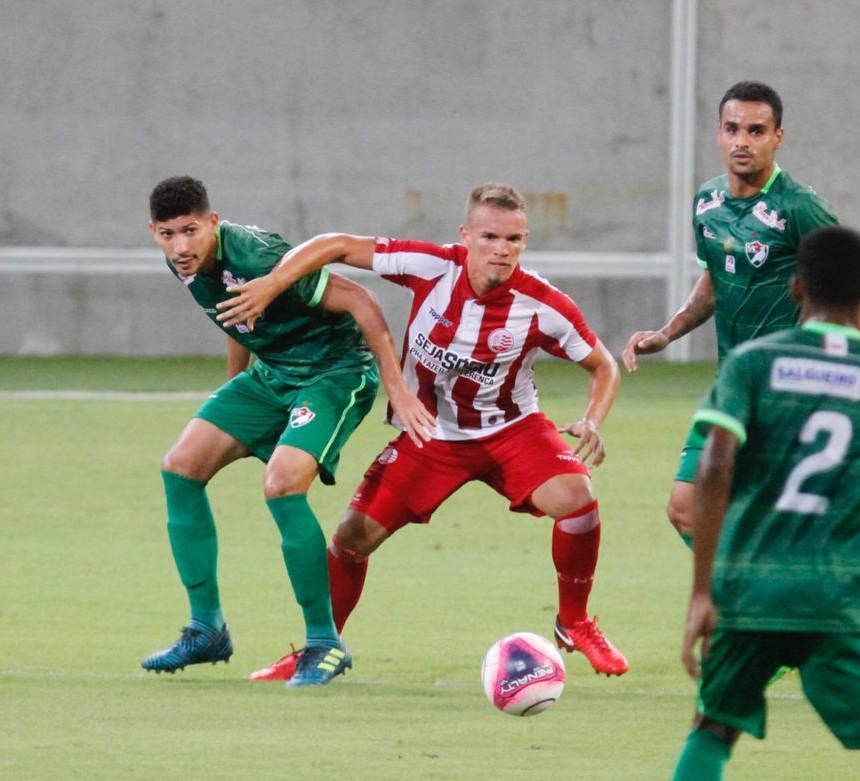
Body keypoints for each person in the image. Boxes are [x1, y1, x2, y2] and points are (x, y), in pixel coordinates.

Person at [220, 182, 630, 679]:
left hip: (512, 431)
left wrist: (592, 418)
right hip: (431, 437)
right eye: (490, 237)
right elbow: (335, 244)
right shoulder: (431, 266)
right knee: (351, 538)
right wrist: (273, 284)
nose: (501, 250)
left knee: (578, 498)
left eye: (515, 240)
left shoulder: (543, 304)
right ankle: (319, 647)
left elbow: (603, 366)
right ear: (466, 235)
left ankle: (575, 621)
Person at [673, 226, 860, 780]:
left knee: (712, 727)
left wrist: (703, 590)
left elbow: (714, 465)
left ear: (795, 288)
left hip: (752, 592)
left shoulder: (754, 366)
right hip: (848, 601)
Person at [141, 176, 432, 687]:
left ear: (212, 222)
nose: (180, 246)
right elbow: (236, 319)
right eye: (167, 234)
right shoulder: (183, 262)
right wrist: (232, 394)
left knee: (281, 484)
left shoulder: (257, 259)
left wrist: (399, 390)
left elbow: (362, 301)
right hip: (271, 375)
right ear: (154, 232)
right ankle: (206, 628)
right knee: (180, 466)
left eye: (189, 231)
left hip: (334, 373)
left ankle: (324, 641)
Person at [623, 81, 839, 546]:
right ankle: (738, 598)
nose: (743, 140)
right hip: (731, 386)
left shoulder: (801, 208)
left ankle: (761, 603)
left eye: (757, 130)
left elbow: (846, 291)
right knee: (685, 509)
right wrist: (668, 332)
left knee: (775, 524)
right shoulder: (708, 203)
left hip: (786, 391)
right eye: (732, 129)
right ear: (718, 134)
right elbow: (715, 280)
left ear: (778, 137)